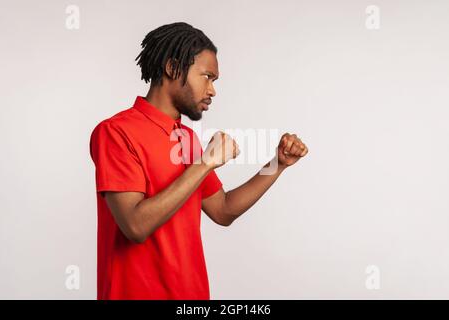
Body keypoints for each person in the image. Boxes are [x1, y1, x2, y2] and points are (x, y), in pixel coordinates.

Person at [89, 22, 308, 300]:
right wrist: (205, 163)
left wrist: (278, 163)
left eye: (214, 81)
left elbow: (223, 210)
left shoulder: (187, 139)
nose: (212, 90)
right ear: (172, 67)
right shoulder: (115, 132)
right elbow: (135, 226)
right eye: (207, 77)